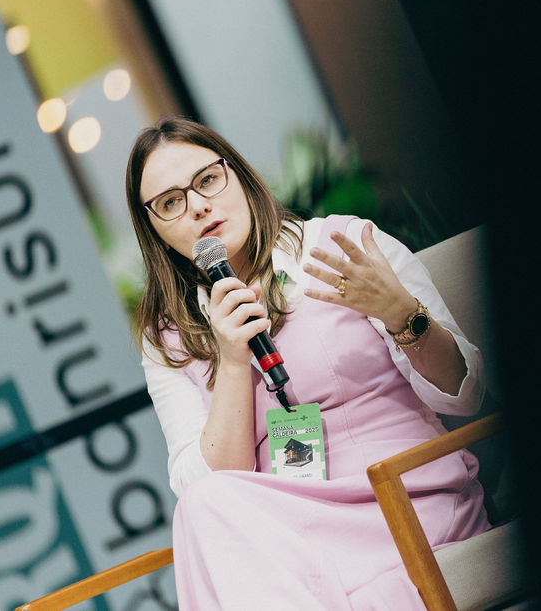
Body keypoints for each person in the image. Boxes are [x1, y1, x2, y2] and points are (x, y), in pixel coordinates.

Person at [125, 115, 489, 609]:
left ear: (238, 175)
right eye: (170, 202)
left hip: (403, 494)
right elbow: (210, 486)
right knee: (203, 503)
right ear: (155, 230)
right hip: (291, 537)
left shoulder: (343, 247)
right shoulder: (167, 337)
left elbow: (467, 396)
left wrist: (401, 314)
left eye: (207, 180)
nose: (198, 206)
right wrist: (231, 361)